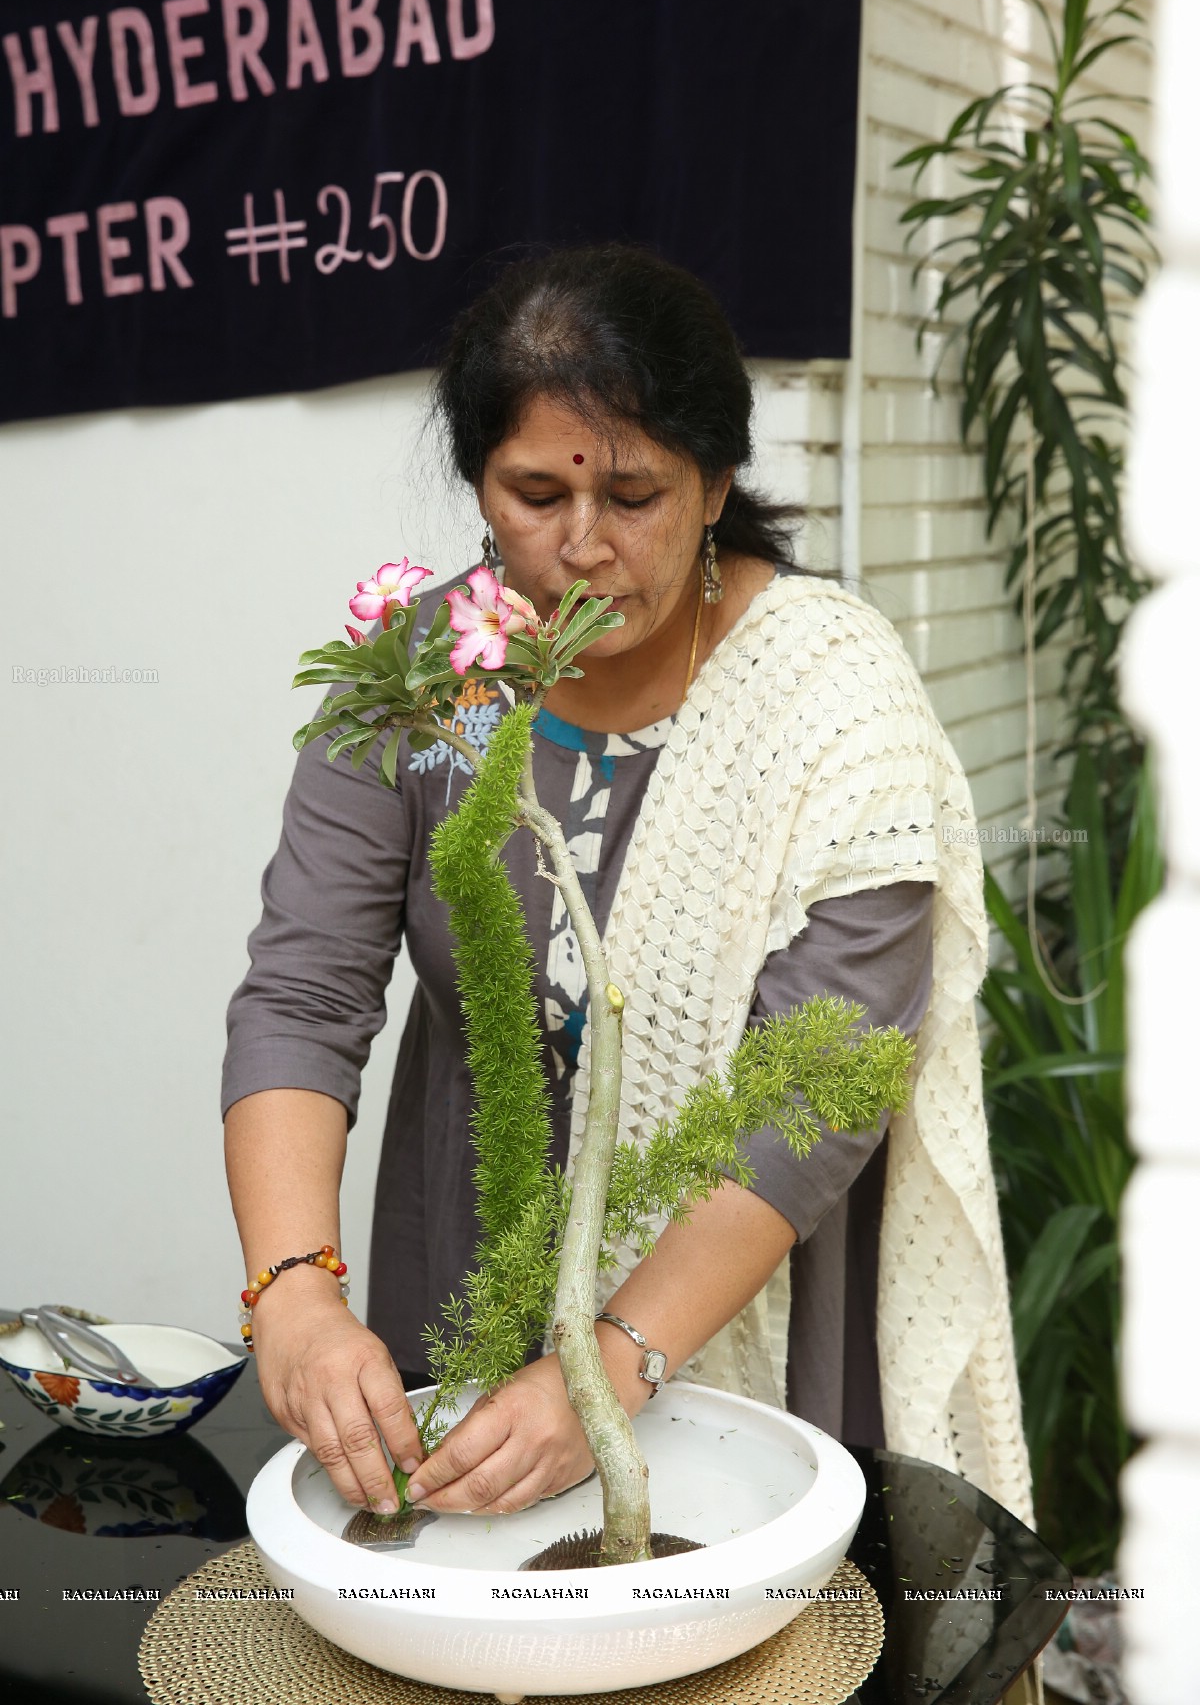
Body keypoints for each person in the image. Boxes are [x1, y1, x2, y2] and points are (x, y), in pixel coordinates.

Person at [222, 244, 1034, 1531]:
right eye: (532, 493)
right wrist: (298, 1291)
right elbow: (305, 991)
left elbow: (822, 1087)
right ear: (477, 485)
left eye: (637, 495)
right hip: (475, 1256)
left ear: (717, 485)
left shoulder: (833, 706)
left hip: (743, 1287)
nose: (580, 549)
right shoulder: (421, 679)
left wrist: (610, 1362)